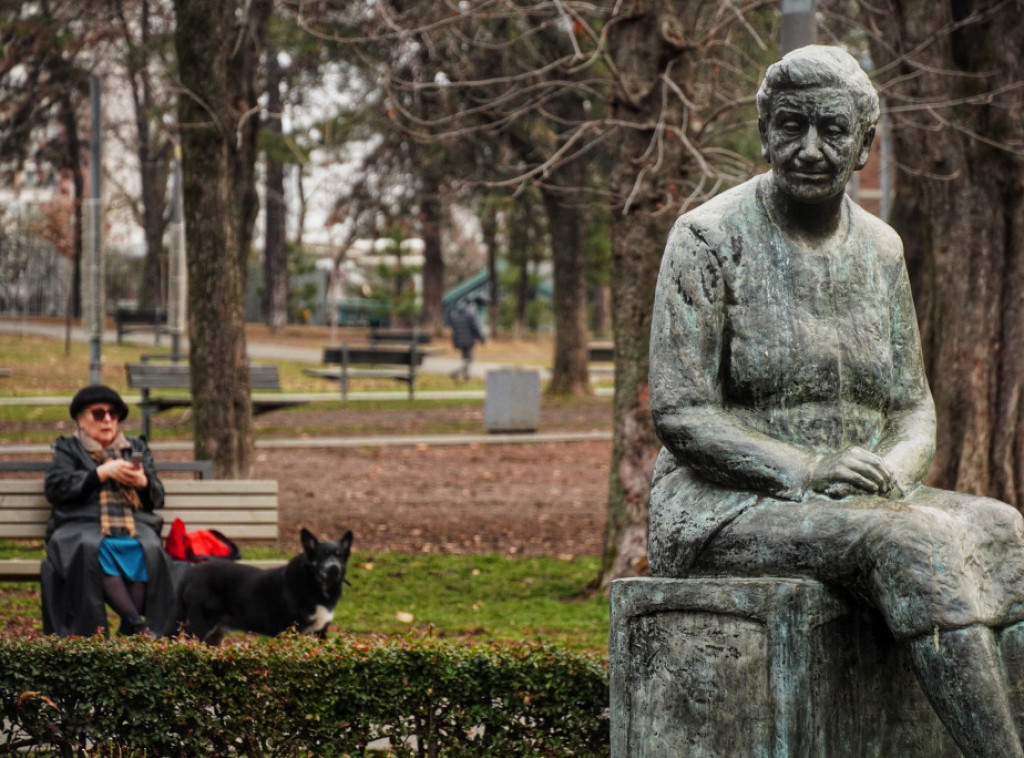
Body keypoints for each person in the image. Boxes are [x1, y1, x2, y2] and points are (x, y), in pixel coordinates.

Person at [648, 45, 1024, 758]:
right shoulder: (707, 238)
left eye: (833, 130)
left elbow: (913, 406)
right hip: (724, 507)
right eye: (791, 126)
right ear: (765, 133)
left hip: (860, 500)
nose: (811, 150)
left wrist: (897, 471)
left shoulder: (881, 250)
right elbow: (680, 413)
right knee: (911, 542)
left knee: (1004, 531)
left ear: (864, 145)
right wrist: (808, 468)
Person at [42, 384, 175, 636]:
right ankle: (135, 625)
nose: (107, 420)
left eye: (113, 414)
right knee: (95, 546)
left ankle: (130, 629)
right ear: (80, 420)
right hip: (80, 525)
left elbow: (157, 497)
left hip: (133, 525)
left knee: (147, 548)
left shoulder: (135, 448)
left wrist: (143, 482)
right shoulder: (68, 448)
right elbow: (56, 489)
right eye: (98, 413)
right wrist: (99, 474)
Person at [449, 297, 485, 381]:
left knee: (465, 359)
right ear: (470, 303)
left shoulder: (456, 313)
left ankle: (467, 377)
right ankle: (456, 372)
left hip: (459, 340)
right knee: (470, 359)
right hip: (468, 340)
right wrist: (481, 338)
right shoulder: (470, 312)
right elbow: (475, 327)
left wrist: (455, 341)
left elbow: (454, 328)